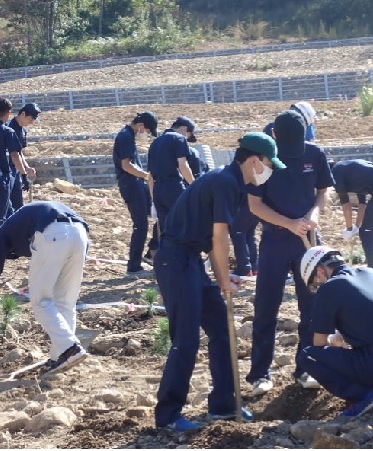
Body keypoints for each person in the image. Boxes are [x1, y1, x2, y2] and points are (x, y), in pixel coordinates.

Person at [153, 132, 285, 432]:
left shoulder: (232, 183)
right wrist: (224, 278)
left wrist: (223, 277)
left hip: (190, 260)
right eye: (268, 164)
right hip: (175, 260)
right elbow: (220, 236)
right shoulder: (225, 182)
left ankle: (224, 404)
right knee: (186, 341)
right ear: (253, 161)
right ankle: (168, 415)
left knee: (222, 330)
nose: (269, 171)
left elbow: (213, 242)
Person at [246, 110, 334, 396]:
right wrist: (288, 223)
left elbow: (323, 192)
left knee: (311, 306)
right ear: (274, 137)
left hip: (308, 240)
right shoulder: (263, 160)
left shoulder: (315, 154)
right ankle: (260, 373)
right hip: (274, 241)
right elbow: (255, 205)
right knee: (266, 308)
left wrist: (314, 214)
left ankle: (306, 367)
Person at [298, 245, 373, 417]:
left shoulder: (329, 288)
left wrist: (335, 345)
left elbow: (319, 345)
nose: (318, 286)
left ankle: (363, 396)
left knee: (308, 356)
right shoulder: (372, 273)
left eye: (316, 282)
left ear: (321, 270)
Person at [0, 201, 89, 373]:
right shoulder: (23, 220)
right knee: (65, 301)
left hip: (52, 234)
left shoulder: (0, 236)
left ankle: (71, 348)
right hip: (80, 234)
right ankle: (60, 357)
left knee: (41, 301)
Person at [112, 111, 158, 277]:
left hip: (136, 183)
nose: (145, 134)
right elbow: (127, 165)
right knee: (141, 225)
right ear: (140, 126)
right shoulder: (125, 137)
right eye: (146, 130)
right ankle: (134, 267)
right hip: (131, 183)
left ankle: (151, 252)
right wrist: (146, 176)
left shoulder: (128, 136)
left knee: (157, 214)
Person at [0, 98, 28, 241]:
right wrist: (23, 175)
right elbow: (15, 155)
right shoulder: (7, 131)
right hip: (0, 179)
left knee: (7, 211)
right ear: (8, 113)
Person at [147, 116, 195, 234]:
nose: (187, 139)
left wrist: (153, 198)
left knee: (165, 230)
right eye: (188, 135)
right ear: (184, 129)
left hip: (158, 190)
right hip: (173, 187)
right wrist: (195, 185)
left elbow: (150, 175)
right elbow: (183, 165)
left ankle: (167, 252)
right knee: (183, 225)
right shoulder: (178, 138)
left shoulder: (155, 142)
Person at [6, 103, 39, 211]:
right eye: (31, 119)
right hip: (5, 170)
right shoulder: (8, 127)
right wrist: (23, 173)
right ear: (23, 114)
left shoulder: (23, 130)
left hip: (16, 169)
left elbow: (19, 152)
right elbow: (13, 154)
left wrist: (26, 167)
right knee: (6, 205)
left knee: (18, 203)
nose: (32, 122)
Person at [229, 198, 259, 277]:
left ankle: (244, 268)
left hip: (245, 204)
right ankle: (254, 267)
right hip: (257, 205)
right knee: (249, 235)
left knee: (238, 233)